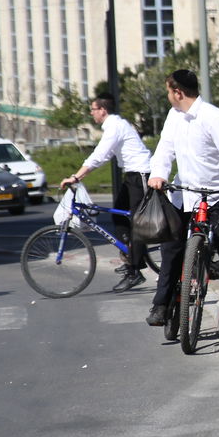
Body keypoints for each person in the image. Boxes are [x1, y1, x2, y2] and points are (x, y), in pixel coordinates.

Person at [145, 69, 219, 326]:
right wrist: (158, 174)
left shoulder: (214, 117)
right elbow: (164, 149)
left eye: (168, 91)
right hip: (184, 194)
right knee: (171, 248)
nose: (168, 96)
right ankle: (161, 305)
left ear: (178, 92)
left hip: (216, 194)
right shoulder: (174, 116)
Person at [63, 95, 153, 292]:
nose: (91, 113)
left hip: (141, 174)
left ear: (102, 110)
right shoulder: (113, 126)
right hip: (132, 174)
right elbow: (105, 155)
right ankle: (131, 256)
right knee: (118, 215)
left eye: (93, 109)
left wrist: (76, 177)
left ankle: (134, 272)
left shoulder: (115, 126)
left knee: (137, 222)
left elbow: (100, 155)